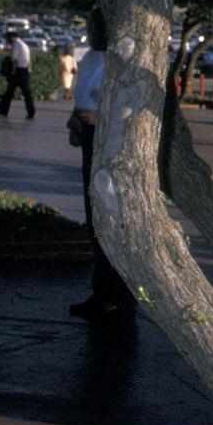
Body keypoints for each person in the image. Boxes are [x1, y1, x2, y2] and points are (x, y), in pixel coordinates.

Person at [68, 36, 133, 319]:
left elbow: (130, 105)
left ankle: (116, 293)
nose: (92, 31)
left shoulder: (122, 60)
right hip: (89, 136)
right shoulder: (90, 57)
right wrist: (75, 118)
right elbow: (82, 92)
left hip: (111, 140)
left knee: (110, 214)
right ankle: (102, 290)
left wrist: (102, 118)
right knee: (94, 214)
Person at [0, 29, 35, 119]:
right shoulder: (23, 44)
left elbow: (13, 59)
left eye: (8, 38)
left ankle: (4, 110)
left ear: (12, 37)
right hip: (24, 71)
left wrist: (10, 71)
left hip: (19, 71)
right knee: (21, 92)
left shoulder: (16, 45)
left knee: (11, 92)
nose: (7, 40)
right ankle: (30, 112)